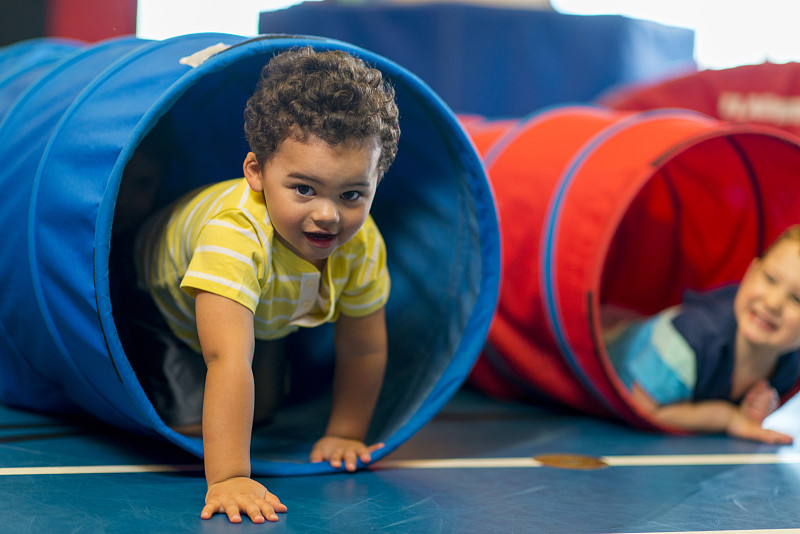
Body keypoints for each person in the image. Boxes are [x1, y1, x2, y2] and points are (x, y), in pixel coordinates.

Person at [129, 46, 400, 524]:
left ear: (376, 182)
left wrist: (345, 432)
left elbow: (363, 347)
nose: (327, 215)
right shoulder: (234, 236)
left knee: (264, 408)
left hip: (265, 310)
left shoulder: (362, 243)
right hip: (159, 301)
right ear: (256, 171)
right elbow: (226, 358)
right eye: (304, 189)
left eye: (352, 194)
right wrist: (230, 475)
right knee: (196, 424)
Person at [604, 225, 800, 444]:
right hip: (608, 348)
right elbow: (644, 407)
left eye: (797, 300)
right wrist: (727, 417)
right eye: (770, 279)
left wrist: (754, 411)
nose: (772, 303)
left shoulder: (787, 367)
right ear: (751, 273)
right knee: (610, 328)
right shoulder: (688, 343)